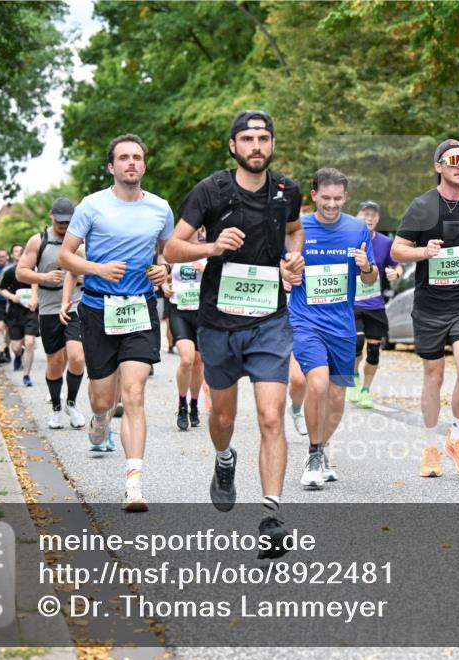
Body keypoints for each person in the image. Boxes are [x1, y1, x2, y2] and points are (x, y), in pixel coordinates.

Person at [164, 110, 303, 558]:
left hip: (269, 320)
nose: (256, 146)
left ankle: (271, 517)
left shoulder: (287, 191)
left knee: (270, 417)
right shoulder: (211, 190)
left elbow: (295, 231)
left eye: (263, 138)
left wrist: (293, 260)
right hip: (219, 322)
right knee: (223, 419)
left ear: (272, 144)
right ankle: (224, 460)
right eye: (247, 139)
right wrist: (211, 246)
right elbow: (172, 248)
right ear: (233, 146)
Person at [58, 133, 174, 512]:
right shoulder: (91, 206)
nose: (131, 163)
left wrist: (164, 270)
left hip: (140, 308)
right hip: (97, 309)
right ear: (111, 166)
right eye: (123, 157)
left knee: (134, 394)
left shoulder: (160, 209)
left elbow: (168, 253)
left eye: (137, 157)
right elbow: (65, 256)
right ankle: (98, 420)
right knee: (103, 399)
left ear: (144, 165)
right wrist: (97, 269)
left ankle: (134, 485)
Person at [390, 139, 459, 478]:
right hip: (430, 306)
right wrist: (423, 252)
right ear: (438, 166)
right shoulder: (422, 206)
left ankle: (457, 437)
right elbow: (397, 250)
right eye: (453, 160)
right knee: (433, 377)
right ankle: (430, 447)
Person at [289, 168, 377, 490]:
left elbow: (370, 277)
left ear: (346, 197)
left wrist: (366, 267)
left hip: (341, 325)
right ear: (313, 195)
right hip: (305, 320)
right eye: (325, 198)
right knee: (318, 383)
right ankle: (313, 455)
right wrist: (287, 273)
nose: (331, 204)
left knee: (338, 397)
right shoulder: (298, 227)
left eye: (338, 198)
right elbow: (281, 266)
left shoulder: (357, 228)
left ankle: (322, 448)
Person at [17, 197, 88, 431]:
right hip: (48, 308)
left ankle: (72, 403)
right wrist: (43, 277)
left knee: (77, 357)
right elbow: (21, 272)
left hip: (75, 304)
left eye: (68, 222)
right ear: (51, 216)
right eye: (60, 222)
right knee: (55, 362)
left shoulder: (80, 242)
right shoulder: (38, 241)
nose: (64, 226)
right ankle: (56, 407)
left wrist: (85, 276)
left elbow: (93, 269)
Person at [346, 200, 400, 408]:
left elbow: (397, 266)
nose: (369, 218)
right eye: (365, 214)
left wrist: (395, 273)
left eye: (373, 215)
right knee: (357, 343)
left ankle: (366, 390)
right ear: (357, 216)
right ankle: (352, 376)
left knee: (374, 351)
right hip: (353, 303)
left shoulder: (386, 243)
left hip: (375, 304)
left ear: (378, 219)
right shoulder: (347, 239)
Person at [166, 235, 207, 431]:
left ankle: (194, 404)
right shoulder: (174, 249)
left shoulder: (210, 249)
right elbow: (162, 271)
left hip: (202, 313)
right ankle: (182, 405)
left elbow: (224, 279)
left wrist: (206, 270)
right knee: (186, 359)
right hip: (179, 311)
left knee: (198, 364)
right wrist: (163, 286)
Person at [0, 244, 39, 386]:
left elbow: (38, 285)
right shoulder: (10, 272)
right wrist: (11, 297)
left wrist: (35, 297)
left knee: (29, 342)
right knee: (16, 347)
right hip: (15, 312)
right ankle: (18, 355)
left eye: (21, 252)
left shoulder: (33, 271)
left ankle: (26, 375)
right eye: (16, 252)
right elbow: (1, 288)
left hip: (30, 311)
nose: (19, 255)